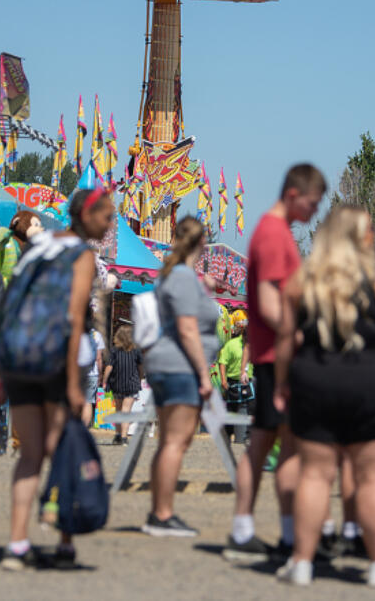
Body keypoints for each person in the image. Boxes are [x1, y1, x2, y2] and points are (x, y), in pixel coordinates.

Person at [272, 206, 375, 587]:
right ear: (362, 236)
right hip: (373, 379)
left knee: (315, 475)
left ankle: (301, 562)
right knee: (370, 479)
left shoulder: (303, 280)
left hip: (316, 377)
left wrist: (283, 382)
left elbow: (285, 340)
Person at [0, 187, 114, 571]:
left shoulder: (42, 245)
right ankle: (65, 541)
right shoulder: (80, 255)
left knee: (30, 453)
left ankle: (17, 544)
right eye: (106, 215)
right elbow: (72, 318)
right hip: (51, 360)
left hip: (18, 357)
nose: (111, 222)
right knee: (64, 446)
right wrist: (71, 384)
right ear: (87, 215)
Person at [223, 164, 326, 563]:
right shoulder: (270, 233)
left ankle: (284, 535)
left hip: (278, 354)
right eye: (314, 202)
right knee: (265, 443)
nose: (316, 211)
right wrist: (298, 334)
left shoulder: (278, 232)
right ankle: (243, 529)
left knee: (286, 447)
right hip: (272, 358)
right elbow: (267, 303)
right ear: (295, 194)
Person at [141, 217, 219, 537]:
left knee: (168, 442)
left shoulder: (171, 275)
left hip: (164, 363)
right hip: (180, 366)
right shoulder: (184, 277)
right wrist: (204, 373)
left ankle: (159, 512)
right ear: (202, 243)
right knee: (176, 441)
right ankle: (163, 514)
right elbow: (187, 328)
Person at [102, 323, 143, 444]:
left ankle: (118, 435)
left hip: (117, 382)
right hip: (131, 383)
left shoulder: (114, 351)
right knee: (126, 410)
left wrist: (104, 380)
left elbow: (109, 367)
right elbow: (141, 367)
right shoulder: (136, 351)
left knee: (118, 409)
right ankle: (124, 437)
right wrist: (140, 379)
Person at [217, 312, 252, 445]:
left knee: (250, 409)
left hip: (249, 381)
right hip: (232, 381)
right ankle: (227, 435)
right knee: (232, 409)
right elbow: (223, 361)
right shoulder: (232, 345)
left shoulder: (254, 345)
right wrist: (224, 380)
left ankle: (246, 436)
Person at [78, 321, 105, 428]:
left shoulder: (76, 331)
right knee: (88, 402)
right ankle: (84, 428)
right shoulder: (97, 335)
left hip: (77, 371)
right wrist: (100, 374)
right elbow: (98, 357)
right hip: (92, 372)